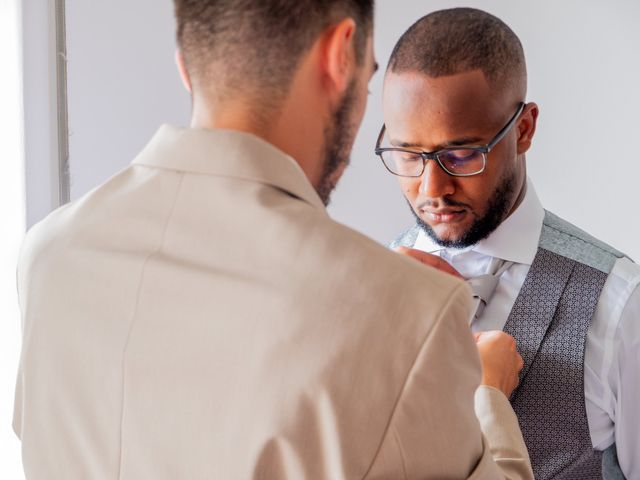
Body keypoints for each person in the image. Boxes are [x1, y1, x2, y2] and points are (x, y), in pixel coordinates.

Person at [13, 1, 532, 479]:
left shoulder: (48, 254)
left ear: (187, 66)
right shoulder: (414, 313)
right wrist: (484, 393)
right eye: (368, 78)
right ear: (338, 56)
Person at [382, 7, 640, 480]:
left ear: (523, 129)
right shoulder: (368, 284)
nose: (431, 188)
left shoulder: (620, 302)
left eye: (460, 154)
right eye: (407, 154)